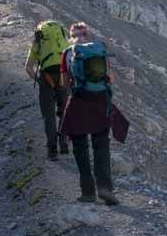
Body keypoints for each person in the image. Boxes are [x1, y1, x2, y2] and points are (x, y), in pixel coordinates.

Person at [60, 22, 118, 206]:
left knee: (80, 146)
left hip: (79, 100)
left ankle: (88, 192)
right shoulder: (99, 50)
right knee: (101, 145)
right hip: (100, 101)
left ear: (71, 36)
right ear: (88, 34)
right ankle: (105, 188)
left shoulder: (68, 53)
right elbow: (111, 78)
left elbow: (64, 83)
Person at [25, 20, 70, 160]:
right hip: (63, 76)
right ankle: (64, 143)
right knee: (64, 111)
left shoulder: (38, 39)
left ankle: (52, 150)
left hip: (47, 77)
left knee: (48, 116)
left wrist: (39, 80)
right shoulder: (62, 37)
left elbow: (28, 67)